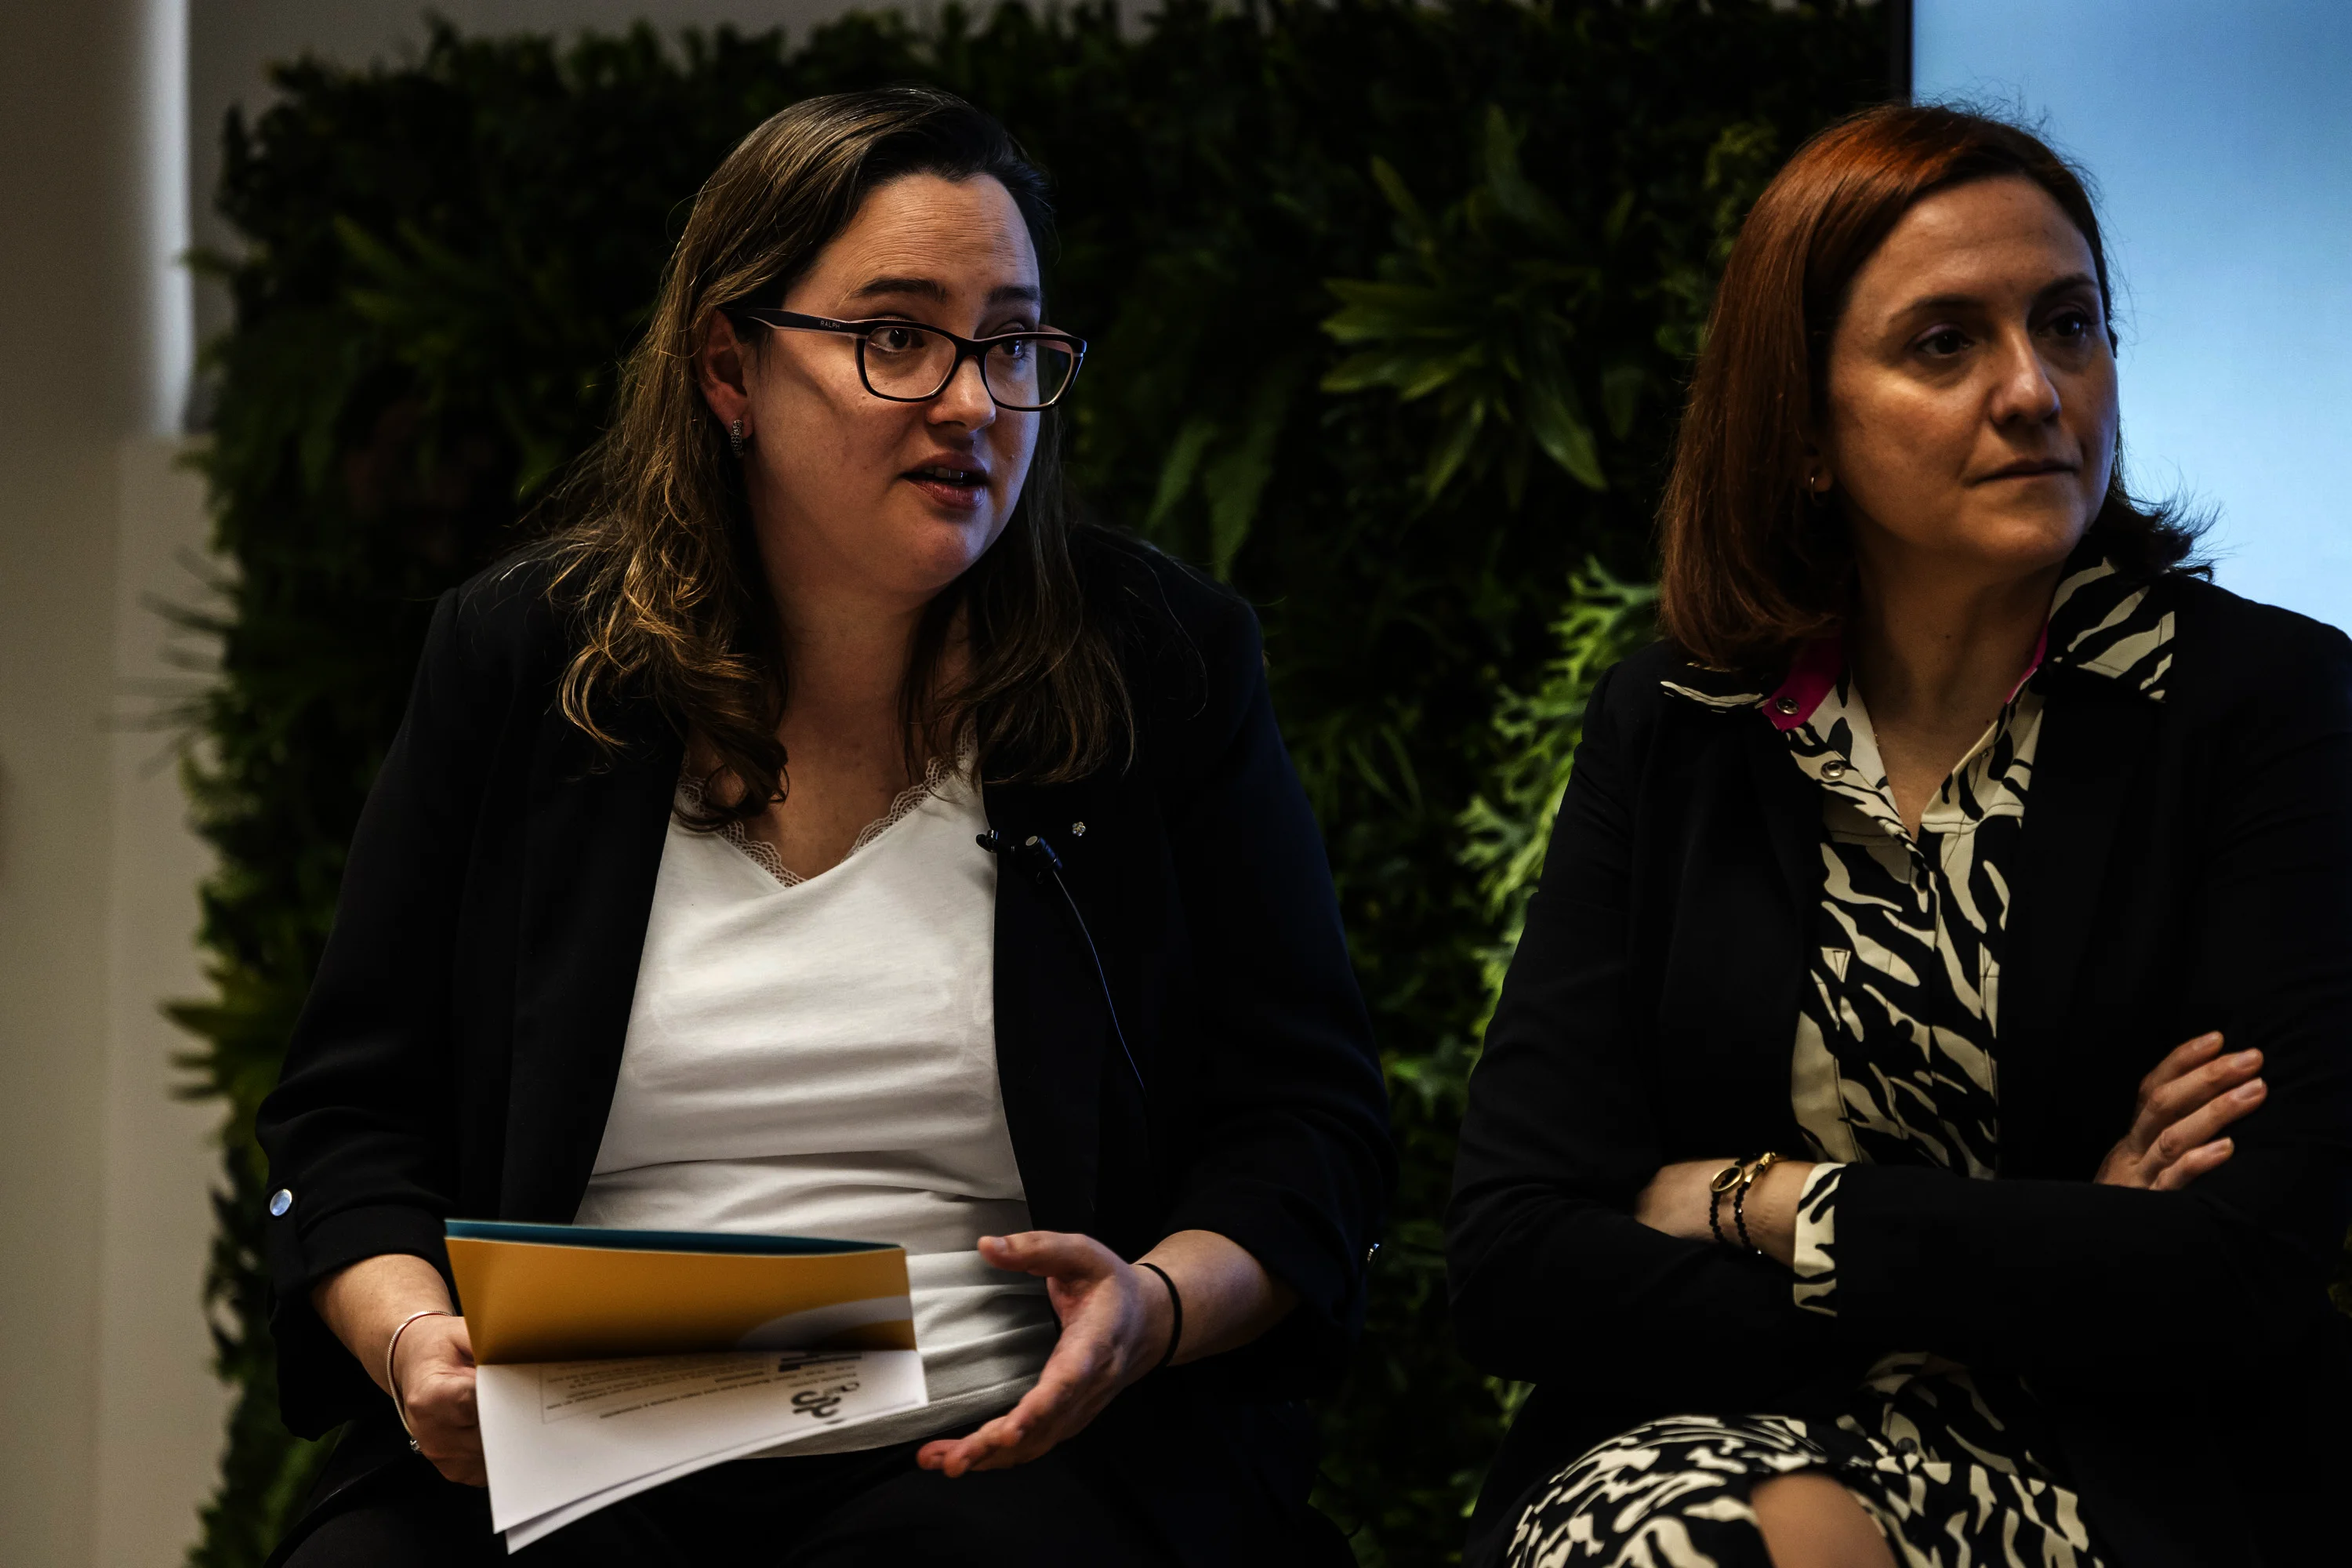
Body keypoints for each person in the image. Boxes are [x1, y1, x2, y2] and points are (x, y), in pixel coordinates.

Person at [256, 86, 1393, 1567]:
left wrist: (1152, 1309)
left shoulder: (1157, 666)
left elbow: (1309, 1128)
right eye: (900, 337)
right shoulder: (529, 660)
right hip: (573, 1433)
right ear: (731, 367)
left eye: (1013, 344)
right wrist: (414, 1341)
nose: (974, 401)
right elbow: (346, 1119)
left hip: (1004, 1439)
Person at [1447, 103, 2352, 1568]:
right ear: (1802, 428)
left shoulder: (2260, 704)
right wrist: (2050, 1240)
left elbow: (2235, 1269)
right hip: (1713, 1442)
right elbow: (1512, 1260)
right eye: (1945, 344)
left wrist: (1758, 1201)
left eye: (2070, 325)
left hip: (2126, 1474)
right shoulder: (1681, 724)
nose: (2034, 391)